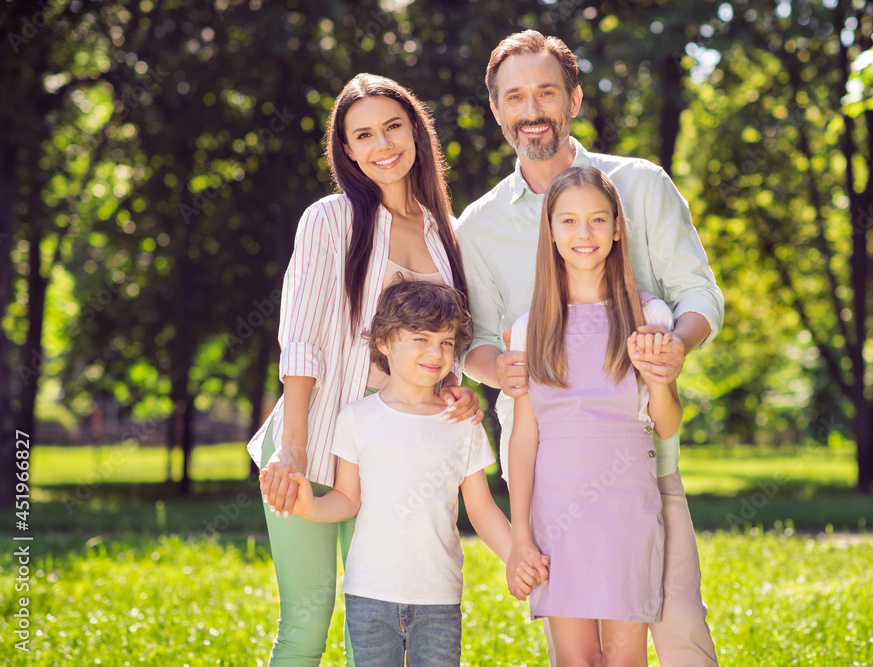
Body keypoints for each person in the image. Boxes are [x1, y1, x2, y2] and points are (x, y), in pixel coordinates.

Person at [457, 31, 723, 665]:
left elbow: (698, 296)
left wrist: (672, 352)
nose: (531, 109)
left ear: (572, 98)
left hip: (641, 456)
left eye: (546, 92)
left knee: (678, 625)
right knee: (575, 649)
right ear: (496, 109)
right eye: (514, 96)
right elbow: (475, 341)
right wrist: (501, 368)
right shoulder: (478, 224)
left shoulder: (641, 184)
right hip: (548, 470)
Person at [248, 73, 483, 666]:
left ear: (416, 132)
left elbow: (445, 341)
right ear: (347, 150)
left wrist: (458, 391)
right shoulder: (329, 219)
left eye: (393, 127)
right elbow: (299, 336)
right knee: (305, 620)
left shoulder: (447, 233)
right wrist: (292, 446)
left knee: (371, 634)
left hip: (388, 454)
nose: (383, 145)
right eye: (364, 135)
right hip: (311, 433)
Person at [264, 280, 546, 667]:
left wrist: (516, 556)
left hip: (439, 598)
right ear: (384, 342)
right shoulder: (357, 418)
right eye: (421, 338)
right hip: (369, 597)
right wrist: (308, 505)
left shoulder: (463, 422)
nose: (436, 352)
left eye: (447, 343)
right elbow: (348, 499)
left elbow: (481, 509)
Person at [505, 166, 683, 665]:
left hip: (626, 506)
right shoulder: (527, 329)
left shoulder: (651, 318)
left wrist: (661, 377)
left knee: (625, 657)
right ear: (550, 230)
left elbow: (666, 424)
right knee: (576, 660)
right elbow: (524, 440)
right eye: (569, 221)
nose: (584, 234)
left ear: (618, 228)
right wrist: (521, 535)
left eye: (598, 220)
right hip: (556, 514)